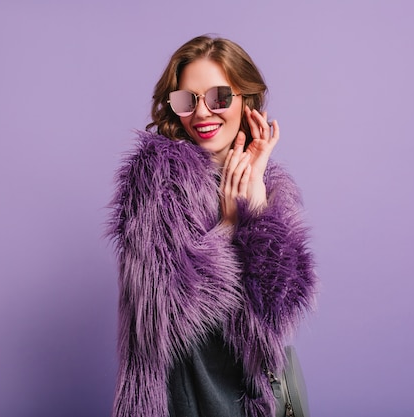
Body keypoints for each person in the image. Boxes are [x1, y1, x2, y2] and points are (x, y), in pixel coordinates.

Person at [107, 35, 317, 417]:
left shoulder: (268, 184)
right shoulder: (158, 178)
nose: (202, 113)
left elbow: (280, 310)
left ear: (245, 101)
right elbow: (158, 316)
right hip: (186, 396)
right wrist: (228, 226)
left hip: (248, 396)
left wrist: (257, 209)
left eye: (219, 97)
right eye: (187, 100)